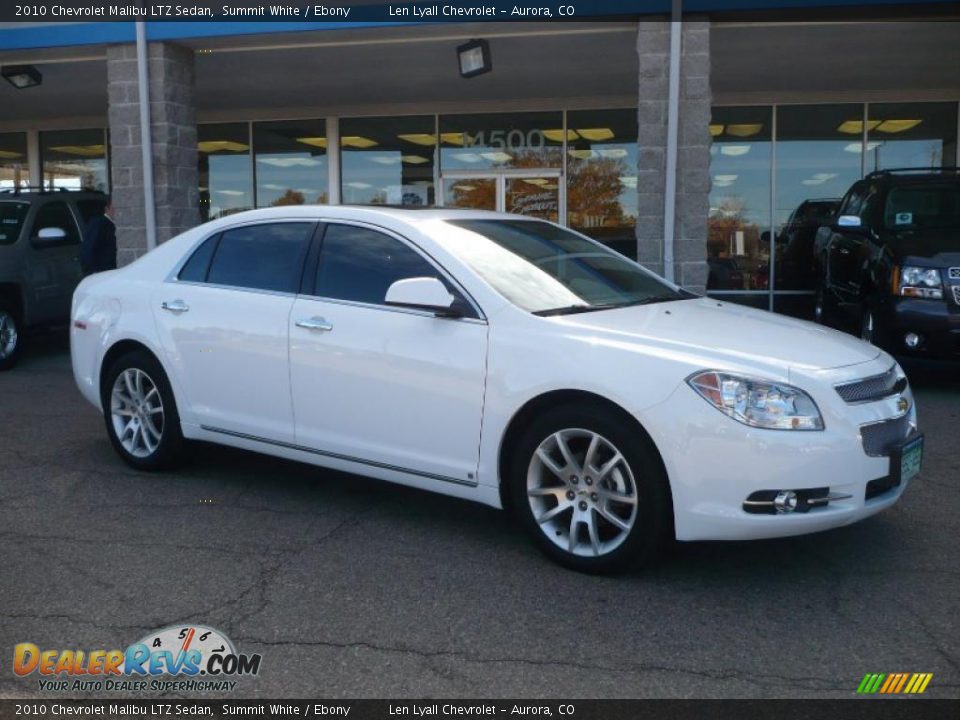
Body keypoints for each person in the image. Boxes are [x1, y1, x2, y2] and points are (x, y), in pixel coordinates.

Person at [81, 199, 117, 275]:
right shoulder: (99, 223)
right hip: (101, 269)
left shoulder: (115, 224)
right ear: (107, 209)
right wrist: (91, 270)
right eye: (115, 208)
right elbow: (89, 246)